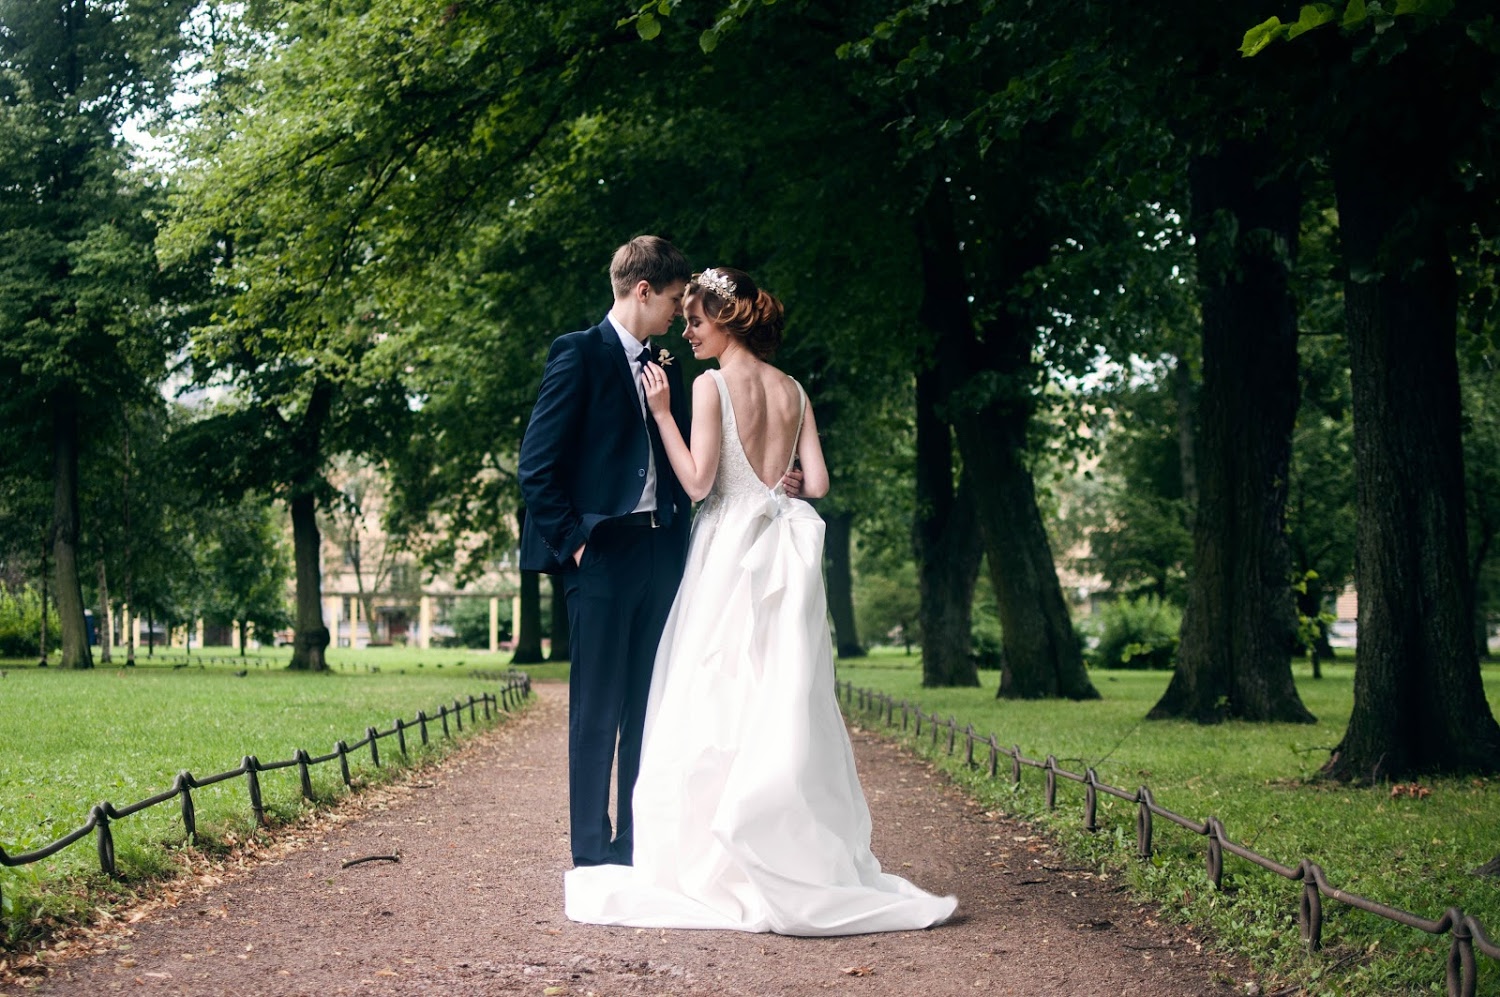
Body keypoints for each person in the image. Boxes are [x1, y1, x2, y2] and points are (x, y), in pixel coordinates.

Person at [564, 267, 957, 935]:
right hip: (783, 548)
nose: (686, 332)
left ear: (725, 320)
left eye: (695, 320)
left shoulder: (710, 385)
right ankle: (780, 833)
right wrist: (787, 483)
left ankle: (717, 845)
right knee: (777, 691)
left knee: (714, 688)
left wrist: (662, 415)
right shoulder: (795, 389)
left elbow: (696, 483)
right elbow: (819, 481)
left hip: (728, 550)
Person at [517, 235, 695, 868]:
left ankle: (635, 845)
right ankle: (592, 853)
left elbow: (682, 458)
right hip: (601, 556)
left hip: (661, 552)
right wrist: (576, 544)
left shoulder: (666, 364)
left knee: (648, 706)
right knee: (596, 711)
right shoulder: (577, 355)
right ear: (642, 291)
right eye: (674, 299)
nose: (679, 311)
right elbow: (536, 468)